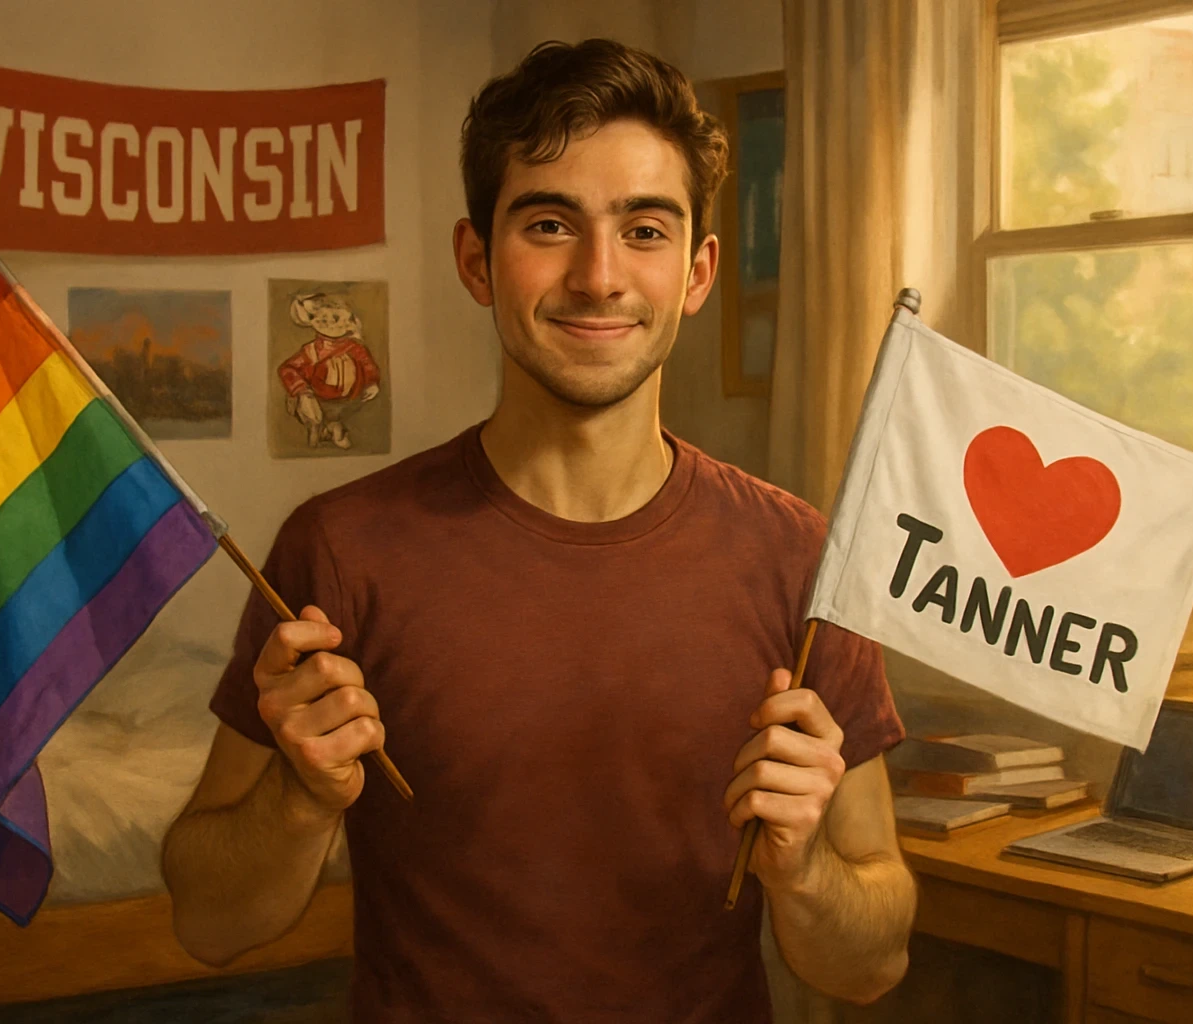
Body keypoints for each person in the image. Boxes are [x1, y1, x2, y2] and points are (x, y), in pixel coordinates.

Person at [162, 38, 915, 1022]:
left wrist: (807, 868)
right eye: (551, 223)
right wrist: (300, 798)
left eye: (645, 230)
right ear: (477, 260)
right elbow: (211, 922)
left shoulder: (800, 557)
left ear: (697, 271)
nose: (598, 277)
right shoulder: (342, 550)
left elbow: (872, 963)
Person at [277, 292, 381, 449]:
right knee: (314, 419)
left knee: (336, 418)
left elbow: (368, 365)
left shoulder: (356, 348)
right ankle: (320, 431)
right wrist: (302, 390)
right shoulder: (311, 350)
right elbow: (287, 369)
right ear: (314, 322)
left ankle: (331, 429)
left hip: (347, 401)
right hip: (318, 400)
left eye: (338, 319)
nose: (333, 325)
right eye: (324, 320)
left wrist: (372, 382)